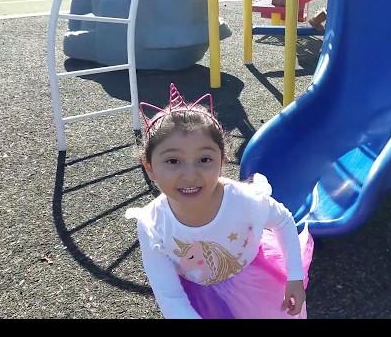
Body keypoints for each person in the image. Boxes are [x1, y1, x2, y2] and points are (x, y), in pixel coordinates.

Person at [126, 83, 314, 319]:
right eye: (173, 161)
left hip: (256, 283)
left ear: (222, 161)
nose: (190, 174)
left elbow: (283, 221)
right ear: (150, 168)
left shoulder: (244, 200)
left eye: (204, 159)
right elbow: (169, 295)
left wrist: (294, 276)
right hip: (199, 300)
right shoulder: (153, 224)